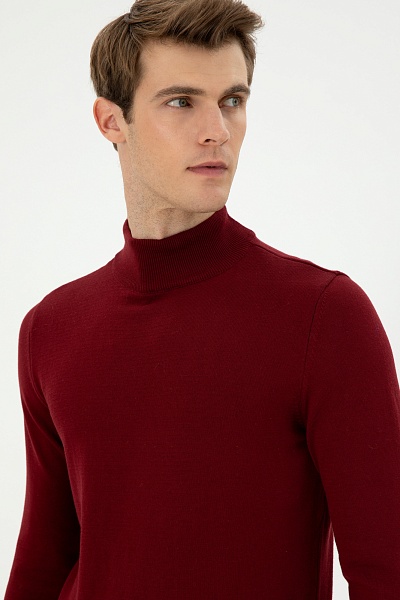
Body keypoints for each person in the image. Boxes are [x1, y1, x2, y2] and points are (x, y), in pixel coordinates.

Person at [5, 0, 400, 598]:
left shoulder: (324, 316)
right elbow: (43, 558)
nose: (217, 129)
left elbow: (386, 569)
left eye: (232, 100)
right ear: (111, 121)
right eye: (181, 101)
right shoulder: (51, 328)